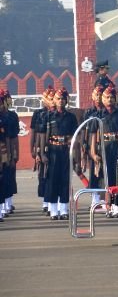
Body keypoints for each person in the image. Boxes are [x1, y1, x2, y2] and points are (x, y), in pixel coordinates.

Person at [93, 85, 118, 217]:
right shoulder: (98, 114)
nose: (109, 100)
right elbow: (93, 134)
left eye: (112, 97)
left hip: (117, 147)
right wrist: (93, 152)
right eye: (107, 97)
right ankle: (107, 205)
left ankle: (116, 206)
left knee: (117, 177)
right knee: (105, 177)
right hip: (104, 147)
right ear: (103, 99)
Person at [44, 88, 78, 220]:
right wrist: (42, 153)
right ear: (54, 100)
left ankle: (63, 209)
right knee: (52, 180)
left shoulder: (71, 117)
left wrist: (75, 155)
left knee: (65, 180)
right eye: (58, 98)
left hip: (65, 150)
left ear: (66, 101)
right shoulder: (48, 116)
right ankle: (53, 210)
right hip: (52, 150)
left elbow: (75, 136)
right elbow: (44, 137)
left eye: (63, 99)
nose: (61, 101)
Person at [31, 87, 53, 213]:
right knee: (43, 175)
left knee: (52, 175)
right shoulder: (39, 114)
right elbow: (35, 133)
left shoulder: (56, 114)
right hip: (42, 147)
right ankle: (45, 201)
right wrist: (35, 151)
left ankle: (53, 201)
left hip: (55, 148)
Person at [0, 89, 20, 220]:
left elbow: (11, 138)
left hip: (4, 151)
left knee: (7, 177)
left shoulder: (10, 117)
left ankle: (6, 204)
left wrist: (13, 154)